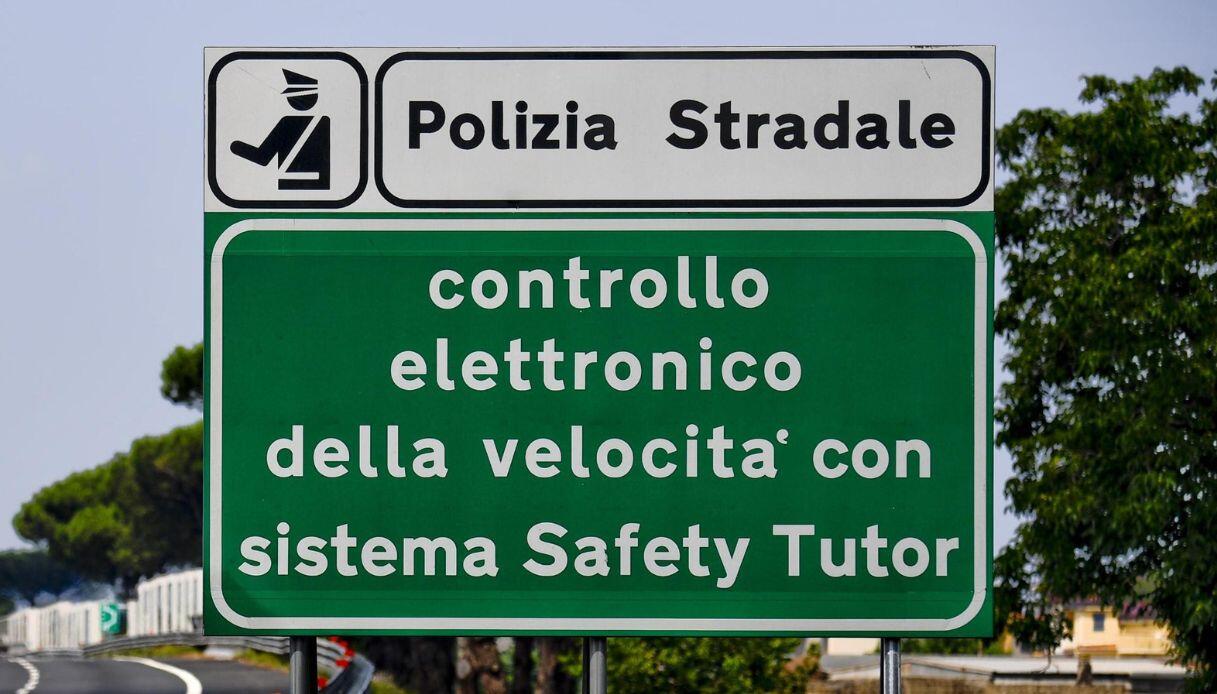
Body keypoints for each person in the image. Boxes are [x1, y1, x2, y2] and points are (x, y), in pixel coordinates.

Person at [230, 69, 331, 190]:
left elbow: (262, 158)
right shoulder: (325, 122)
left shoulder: (287, 123)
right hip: (321, 184)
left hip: (290, 184)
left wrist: (235, 146)